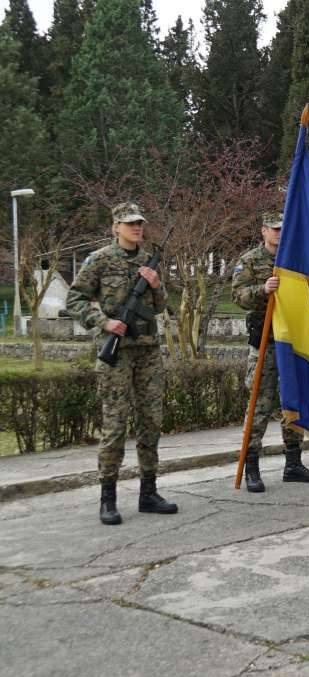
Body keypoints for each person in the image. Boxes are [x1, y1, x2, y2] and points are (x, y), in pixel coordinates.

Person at [66, 202, 178, 525]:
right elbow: (75, 299)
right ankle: (108, 498)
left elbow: (160, 307)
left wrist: (156, 286)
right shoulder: (99, 260)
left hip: (147, 351)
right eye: (129, 223)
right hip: (117, 353)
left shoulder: (148, 262)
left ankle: (149, 493)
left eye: (140, 223)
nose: (136, 228)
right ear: (115, 226)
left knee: (151, 422)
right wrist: (103, 322)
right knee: (114, 425)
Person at [232, 213, 309, 490]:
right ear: (263, 231)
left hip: (291, 342)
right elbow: (238, 296)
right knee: (259, 405)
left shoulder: (294, 263)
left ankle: (293, 463)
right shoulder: (249, 260)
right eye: (274, 229)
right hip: (265, 343)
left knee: (291, 402)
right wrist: (262, 289)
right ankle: (252, 467)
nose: (279, 234)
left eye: (283, 229)